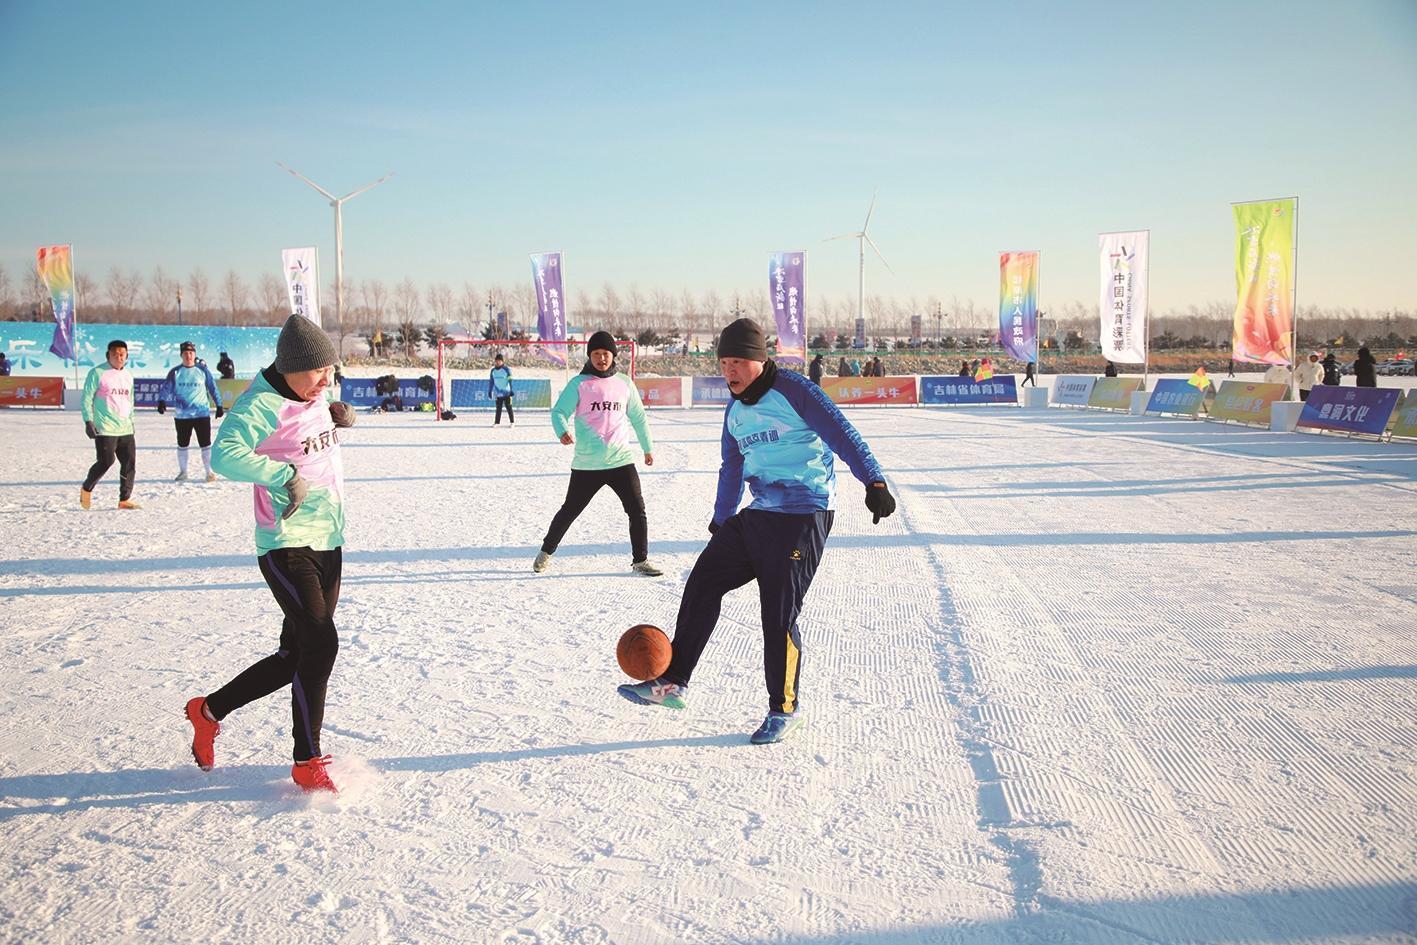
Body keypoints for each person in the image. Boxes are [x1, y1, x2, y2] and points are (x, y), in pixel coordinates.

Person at [618, 317, 896, 745]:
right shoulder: (735, 409)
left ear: (759, 359)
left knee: (777, 614)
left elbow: (843, 434)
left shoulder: (795, 391)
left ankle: (783, 709)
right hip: (759, 514)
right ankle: (672, 683)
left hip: (805, 515)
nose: (728, 371)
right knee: (702, 583)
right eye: (723, 362)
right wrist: (722, 517)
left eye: (736, 362)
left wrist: (873, 480)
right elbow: (732, 466)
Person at [185, 315, 356, 794]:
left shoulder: (311, 391)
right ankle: (306, 760)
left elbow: (311, 428)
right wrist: (283, 475)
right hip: (286, 544)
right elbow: (224, 455)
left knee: (293, 655)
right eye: (317, 373)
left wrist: (337, 413)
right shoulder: (260, 404)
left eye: (331, 371)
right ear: (289, 368)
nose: (325, 381)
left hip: (328, 538)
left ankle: (208, 711)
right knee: (321, 643)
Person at [534, 331, 662, 577]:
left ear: (613, 355)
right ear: (589, 356)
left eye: (605, 354)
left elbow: (638, 417)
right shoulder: (579, 384)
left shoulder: (624, 383)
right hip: (587, 465)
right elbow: (558, 412)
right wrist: (562, 431)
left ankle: (640, 560)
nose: (601, 358)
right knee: (569, 511)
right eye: (596, 354)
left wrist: (647, 448)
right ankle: (546, 552)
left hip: (621, 461)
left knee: (637, 510)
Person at [80, 339, 139, 510]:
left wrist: (132, 422)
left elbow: (130, 401)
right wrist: (88, 421)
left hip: (125, 428)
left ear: (126, 356)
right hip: (105, 427)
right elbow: (86, 398)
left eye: (122, 354)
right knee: (106, 461)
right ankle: (86, 488)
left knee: (129, 463)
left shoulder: (128, 376)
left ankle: (124, 499)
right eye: (115, 354)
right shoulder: (97, 373)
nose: (119, 357)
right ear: (109, 355)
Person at [158, 341, 223, 482]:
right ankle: (183, 472)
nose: (188, 355)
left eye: (191, 353)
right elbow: (166, 387)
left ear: (195, 354)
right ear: (181, 355)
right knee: (182, 444)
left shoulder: (203, 371)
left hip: (201, 414)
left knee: (205, 444)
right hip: (182, 415)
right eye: (186, 353)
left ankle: (209, 472)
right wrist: (161, 400)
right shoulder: (175, 372)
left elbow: (213, 388)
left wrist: (219, 405)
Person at [489, 353, 515, 426]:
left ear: (502, 361)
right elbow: (491, 381)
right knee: (498, 408)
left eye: (499, 361)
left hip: (507, 392)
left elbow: (510, 380)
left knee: (509, 407)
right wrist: (490, 390)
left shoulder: (506, 369)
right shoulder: (493, 371)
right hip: (498, 393)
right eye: (497, 361)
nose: (498, 362)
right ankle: (497, 422)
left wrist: (511, 389)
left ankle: (512, 422)